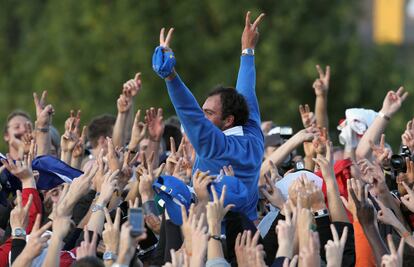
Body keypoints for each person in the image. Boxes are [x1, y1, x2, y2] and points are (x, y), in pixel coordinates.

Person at [152, 12, 265, 221]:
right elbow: (246, 89)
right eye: (204, 111)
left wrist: (170, 76)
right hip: (250, 231)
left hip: (215, 235)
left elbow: (190, 113)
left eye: (209, 113)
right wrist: (247, 50)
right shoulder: (253, 132)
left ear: (229, 120)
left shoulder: (219, 147)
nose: (203, 117)